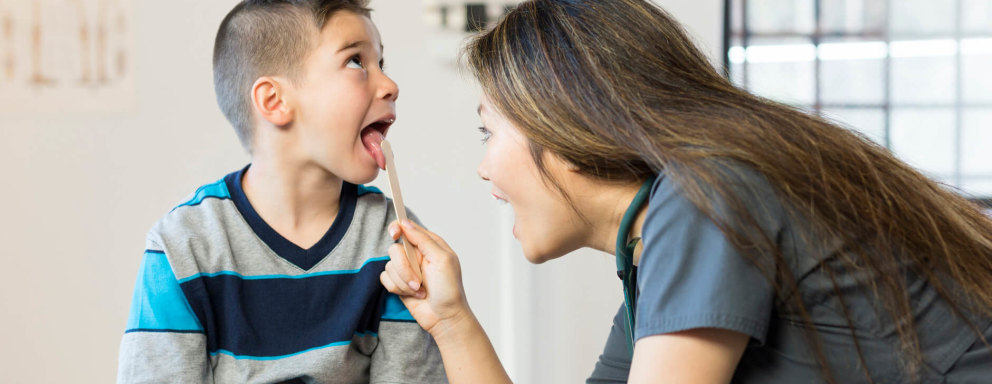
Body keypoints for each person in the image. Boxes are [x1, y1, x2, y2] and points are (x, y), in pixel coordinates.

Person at [379, 0, 992, 382]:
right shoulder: (658, 255)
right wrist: (452, 320)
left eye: (489, 133)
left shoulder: (705, 198)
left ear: (563, 125)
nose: (484, 170)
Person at [117, 1, 446, 382]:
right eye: (356, 62)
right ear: (275, 101)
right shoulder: (182, 249)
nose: (390, 85)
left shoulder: (391, 240)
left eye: (381, 64)